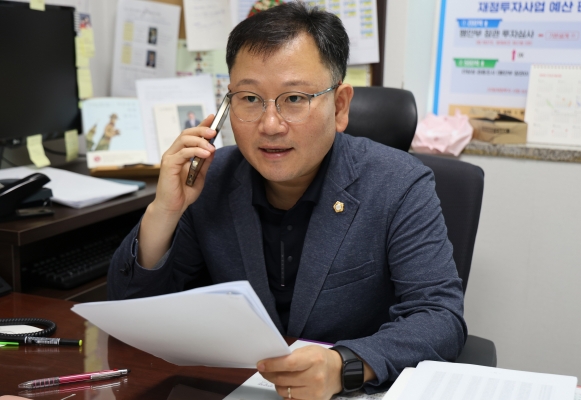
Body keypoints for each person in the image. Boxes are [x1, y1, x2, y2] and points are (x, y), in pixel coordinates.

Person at [108, 3, 466, 399]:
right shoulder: (211, 178)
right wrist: (164, 211)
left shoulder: (398, 183)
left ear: (340, 106)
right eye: (249, 98)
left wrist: (344, 365)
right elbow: (132, 316)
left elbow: (439, 316)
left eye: (294, 98)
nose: (270, 125)